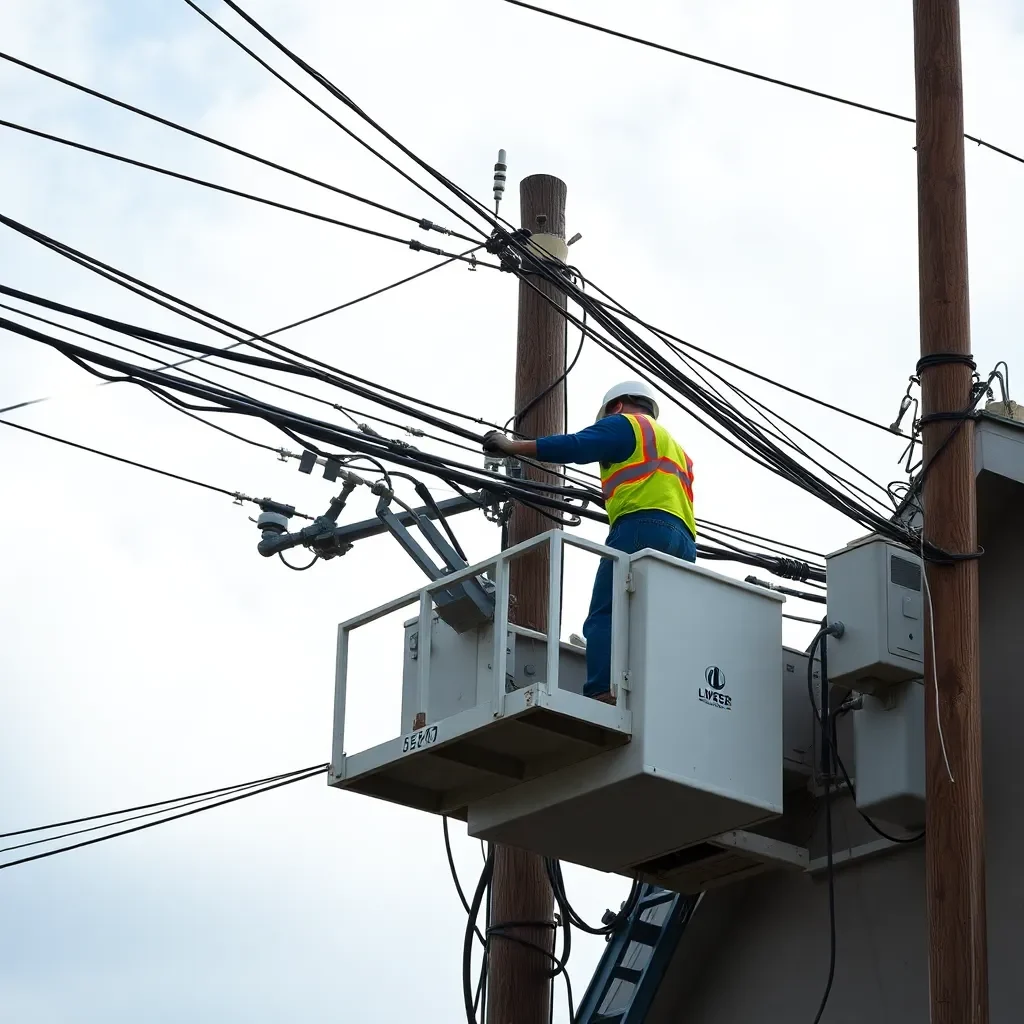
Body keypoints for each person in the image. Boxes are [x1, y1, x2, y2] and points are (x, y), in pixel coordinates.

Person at [482, 380, 696, 703]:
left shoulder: (626, 425)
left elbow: (576, 445)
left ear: (618, 406)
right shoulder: (677, 450)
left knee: (605, 613)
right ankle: (664, 693)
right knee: (657, 620)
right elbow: (648, 483)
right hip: (685, 542)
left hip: (639, 527)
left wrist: (513, 448)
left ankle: (600, 690)